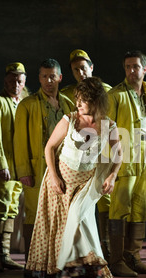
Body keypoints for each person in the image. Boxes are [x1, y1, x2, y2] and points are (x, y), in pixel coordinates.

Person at [26, 77, 122, 278]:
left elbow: (118, 155)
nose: (78, 104)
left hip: (86, 185)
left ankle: (76, 271)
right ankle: (85, 272)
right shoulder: (69, 120)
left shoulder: (108, 125)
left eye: (83, 100)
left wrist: (112, 176)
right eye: (77, 99)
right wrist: (53, 176)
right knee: (72, 227)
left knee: (77, 219)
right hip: (61, 182)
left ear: (95, 101)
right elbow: (49, 147)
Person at [13, 58, 75, 275]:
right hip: (36, 170)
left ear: (60, 77)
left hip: (63, 169)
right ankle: (33, 265)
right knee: (33, 214)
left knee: (59, 214)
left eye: (52, 76)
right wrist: (23, 171)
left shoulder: (68, 103)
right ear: (38, 78)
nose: (48, 81)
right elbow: (19, 141)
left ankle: (55, 263)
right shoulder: (27, 104)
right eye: (44, 76)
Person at [107, 50, 146, 277]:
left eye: (135, 67)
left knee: (141, 208)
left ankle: (133, 257)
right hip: (125, 159)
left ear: (144, 69)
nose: (131, 71)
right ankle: (117, 260)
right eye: (128, 67)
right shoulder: (116, 95)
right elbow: (105, 131)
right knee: (120, 207)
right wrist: (110, 166)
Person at [61, 49, 113, 260]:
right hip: (74, 163)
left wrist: (113, 171)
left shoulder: (108, 92)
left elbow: (113, 129)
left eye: (83, 67)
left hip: (101, 162)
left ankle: (105, 251)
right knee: (76, 215)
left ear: (92, 67)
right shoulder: (67, 94)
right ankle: (79, 259)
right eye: (75, 69)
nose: (80, 72)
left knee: (103, 207)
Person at [0, 62, 28, 272]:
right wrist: (1, 164)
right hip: (2, 167)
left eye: (19, 81)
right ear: (5, 81)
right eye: (11, 80)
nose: (15, 84)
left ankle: (5, 255)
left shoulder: (25, 102)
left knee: (11, 209)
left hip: (18, 167)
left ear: (24, 81)